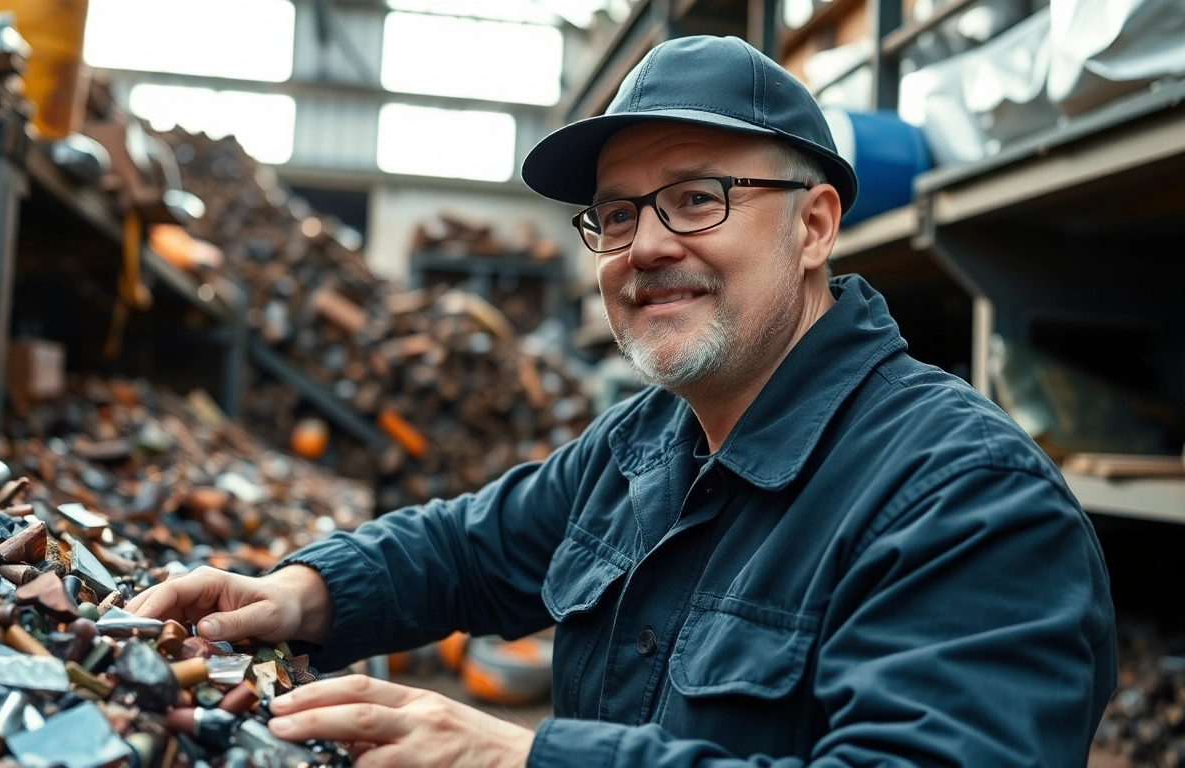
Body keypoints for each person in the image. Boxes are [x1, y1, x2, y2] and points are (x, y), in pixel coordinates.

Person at [128, 35, 1116, 768]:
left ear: (814, 227)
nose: (644, 246)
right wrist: (303, 593)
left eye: (697, 199)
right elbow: (470, 547)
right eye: (615, 214)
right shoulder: (650, 444)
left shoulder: (964, 499)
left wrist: (522, 759)